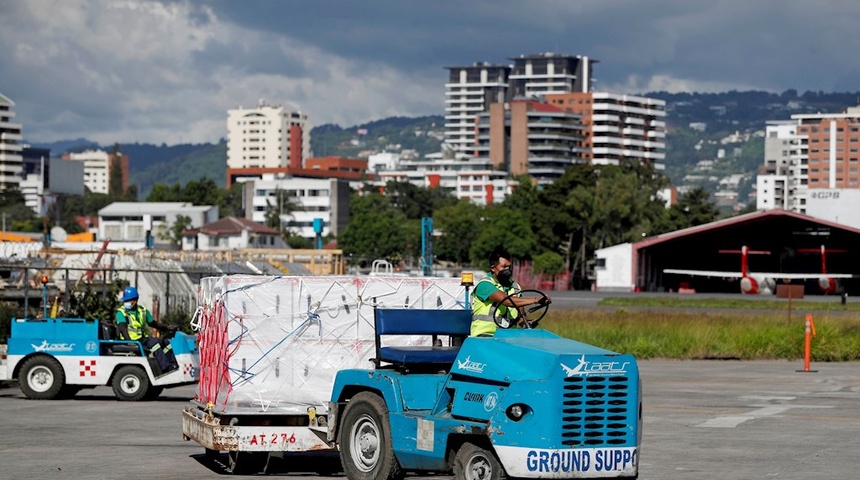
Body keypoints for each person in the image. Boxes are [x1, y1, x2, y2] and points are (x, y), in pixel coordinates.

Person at [470, 248, 550, 337]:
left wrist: (526, 323)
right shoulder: (485, 285)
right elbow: (507, 301)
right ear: (493, 268)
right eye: (504, 267)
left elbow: (520, 317)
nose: (508, 270)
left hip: (508, 337)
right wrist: (536, 300)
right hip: (485, 337)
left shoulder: (515, 287)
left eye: (510, 267)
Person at [115, 286, 179, 373]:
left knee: (165, 342)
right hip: (130, 340)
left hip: (142, 339)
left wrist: (167, 328)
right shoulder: (121, 312)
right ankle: (165, 368)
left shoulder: (142, 310)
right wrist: (129, 342)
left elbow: (153, 323)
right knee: (153, 343)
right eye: (125, 300)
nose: (126, 302)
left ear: (135, 300)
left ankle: (173, 365)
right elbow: (122, 328)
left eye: (128, 300)